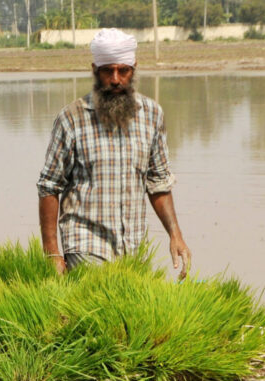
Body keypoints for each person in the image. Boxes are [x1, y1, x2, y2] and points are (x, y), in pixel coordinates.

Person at [37, 28, 191, 277]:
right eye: (108, 71)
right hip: (85, 245)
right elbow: (49, 187)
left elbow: (159, 184)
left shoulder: (152, 115)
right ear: (95, 71)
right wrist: (53, 253)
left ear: (134, 70)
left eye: (123, 70)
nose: (116, 79)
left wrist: (176, 235)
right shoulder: (72, 118)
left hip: (132, 249)